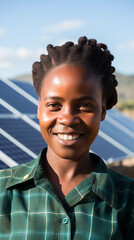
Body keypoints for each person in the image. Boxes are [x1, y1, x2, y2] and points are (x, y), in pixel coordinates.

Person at [0, 36, 134, 239]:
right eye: (54, 105)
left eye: (85, 105)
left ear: (103, 111)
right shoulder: (2, 191)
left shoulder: (128, 200)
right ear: (38, 109)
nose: (68, 119)